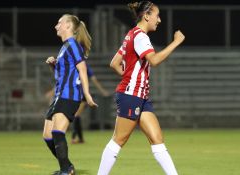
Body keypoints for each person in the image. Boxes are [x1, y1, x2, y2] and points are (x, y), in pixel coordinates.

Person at [97, 1, 185, 175]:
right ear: (146, 16)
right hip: (132, 95)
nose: (159, 20)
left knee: (157, 140)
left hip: (140, 96)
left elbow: (114, 63)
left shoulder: (131, 34)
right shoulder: (140, 37)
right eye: (157, 15)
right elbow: (154, 60)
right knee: (118, 140)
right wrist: (176, 42)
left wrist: (131, 76)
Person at [42, 14, 97, 175]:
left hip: (69, 95)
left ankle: (66, 170)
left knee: (57, 132)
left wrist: (86, 94)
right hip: (59, 96)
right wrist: (54, 65)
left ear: (67, 26)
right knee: (47, 136)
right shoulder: (65, 46)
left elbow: (82, 69)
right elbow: (64, 72)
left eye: (59, 23)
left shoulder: (72, 44)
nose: (56, 26)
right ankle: (68, 166)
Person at [71, 63, 110, 144]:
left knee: (76, 115)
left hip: (79, 94)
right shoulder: (82, 65)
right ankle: (79, 138)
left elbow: (93, 79)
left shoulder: (77, 65)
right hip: (77, 94)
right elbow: (94, 79)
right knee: (76, 116)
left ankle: (75, 138)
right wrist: (102, 91)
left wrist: (102, 91)